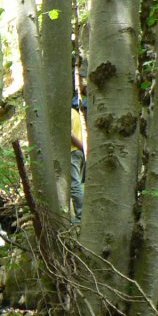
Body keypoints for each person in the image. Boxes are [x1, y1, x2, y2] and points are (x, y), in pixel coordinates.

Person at [70, 92, 87, 224]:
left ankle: (81, 216)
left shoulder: (68, 114)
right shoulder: (77, 114)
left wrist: (82, 147)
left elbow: (70, 134)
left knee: (74, 184)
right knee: (78, 183)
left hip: (73, 151)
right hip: (79, 152)